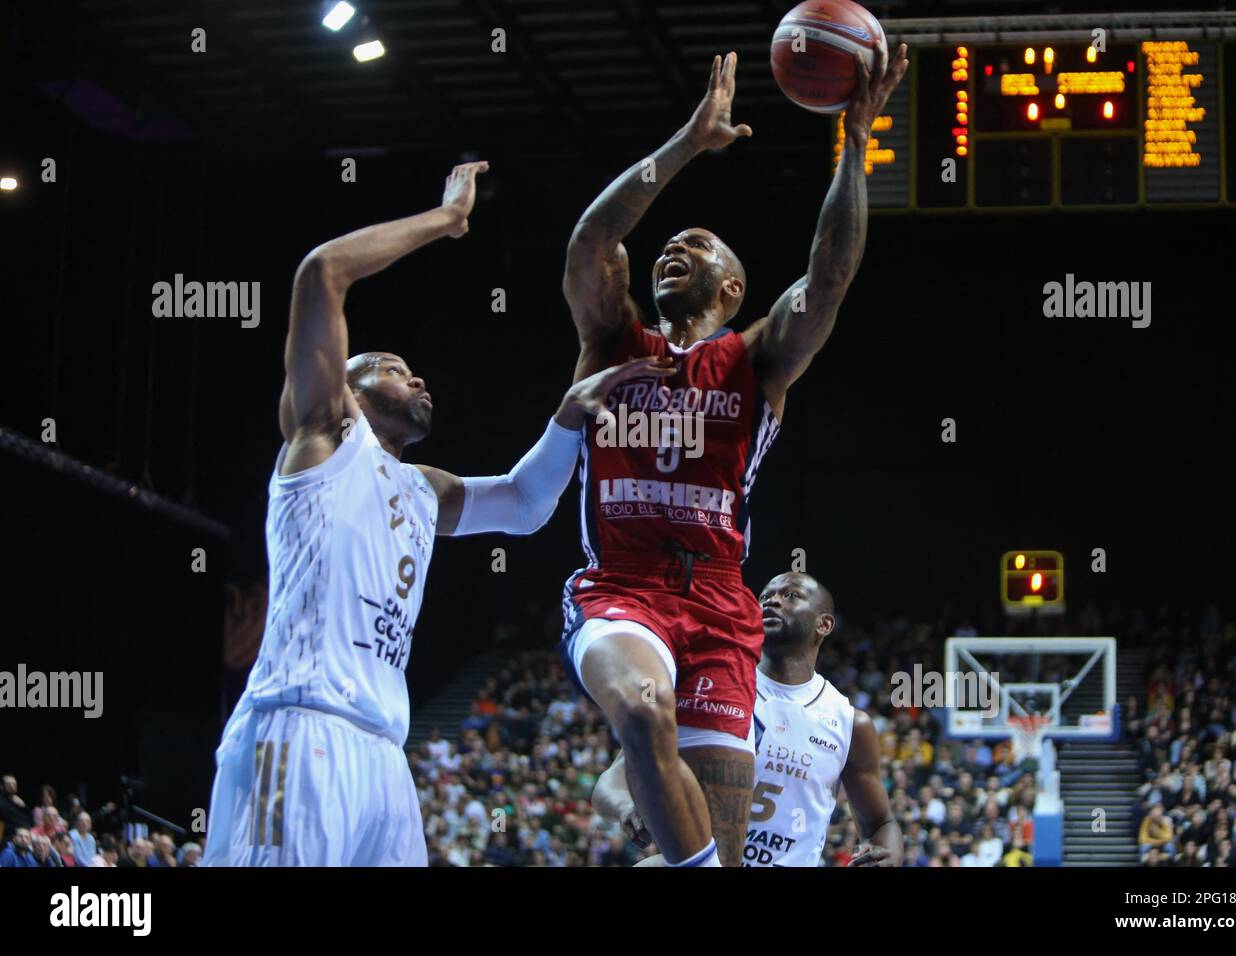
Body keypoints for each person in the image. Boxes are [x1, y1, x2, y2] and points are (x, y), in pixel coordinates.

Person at [203, 161, 673, 867]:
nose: (416, 376)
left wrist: (571, 414)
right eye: (392, 367)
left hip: (384, 755)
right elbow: (322, 271)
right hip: (300, 729)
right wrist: (446, 221)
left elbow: (522, 504)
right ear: (350, 390)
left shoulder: (424, 487)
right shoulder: (325, 437)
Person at [558, 46, 909, 867]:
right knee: (644, 709)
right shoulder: (613, 337)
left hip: (719, 604)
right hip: (626, 586)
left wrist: (855, 141)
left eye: (699, 244)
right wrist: (686, 143)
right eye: (668, 245)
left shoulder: (755, 359)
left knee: (715, 849)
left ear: (733, 291)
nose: (673, 246)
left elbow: (828, 281)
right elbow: (590, 240)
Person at [593, 572, 902, 868]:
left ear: (824, 624)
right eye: (764, 597)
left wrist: (887, 854)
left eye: (791, 595)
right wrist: (625, 807)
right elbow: (612, 781)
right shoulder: (707, 688)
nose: (772, 601)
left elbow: (880, 823)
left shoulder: (848, 722)